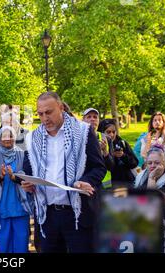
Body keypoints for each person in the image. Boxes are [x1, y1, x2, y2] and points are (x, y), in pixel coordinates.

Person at [21, 92, 106, 253]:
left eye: (49, 112)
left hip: (78, 214)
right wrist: (26, 183)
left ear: (61, 108)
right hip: (47, 215)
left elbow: (99, 167)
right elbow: (28, 170)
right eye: (40, 114)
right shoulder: (33, 138)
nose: (45, 118)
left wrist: (86, 181)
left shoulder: (84, 132)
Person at [0, 126, 33, 253]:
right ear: (0, 138)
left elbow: (28, 178)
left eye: (11, 135)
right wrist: (0, 176)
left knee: (21, 244)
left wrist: (14, 177)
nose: (8, 139)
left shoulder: (23, 154)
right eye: (4, 136)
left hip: (21, 207)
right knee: (4, 244)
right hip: (2, 207)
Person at [134, 145, 165, 252]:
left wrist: (152, 178)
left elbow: (151, 201)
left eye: (157, 163)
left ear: (164, 163)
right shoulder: (141, 176)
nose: (153, 166)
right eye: (150, 163)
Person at [98, 119, 138, 185]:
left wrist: (123, 156)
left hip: (126, 183)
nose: (112, 135)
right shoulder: (97, 146)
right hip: (107, 185)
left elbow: (135, 163)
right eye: (108, 132)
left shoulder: (122, 143)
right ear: (101, 133)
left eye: (114, 132)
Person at [83, 108, 114, 188]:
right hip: (84, 182)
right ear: (83, 120)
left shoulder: (106, 139)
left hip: (103, 185)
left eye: (95, 117)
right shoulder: (79, 138)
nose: (92, 119)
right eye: (89, 117)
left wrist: (105, 152)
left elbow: (111, 166)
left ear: (98, 121)